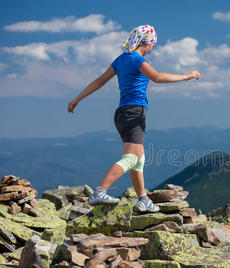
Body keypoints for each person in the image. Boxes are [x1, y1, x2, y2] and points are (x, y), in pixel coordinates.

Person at [67, 25, 200, 213]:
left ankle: (143, 199)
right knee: (130, 158)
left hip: (121, 114)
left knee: (139, 157)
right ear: (146, 42)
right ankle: (100, 191)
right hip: (134, 113)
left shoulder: (120, 60)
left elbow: (99, 81)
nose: (153, 48)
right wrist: (186, 76)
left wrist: (77, 99)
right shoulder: (137, 59)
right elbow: (157, 77)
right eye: (153, 44)